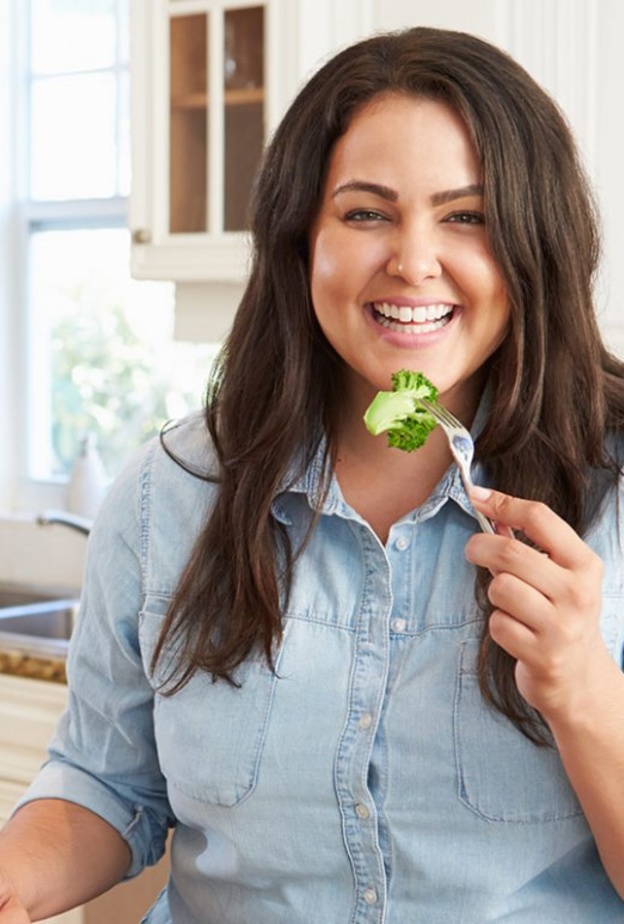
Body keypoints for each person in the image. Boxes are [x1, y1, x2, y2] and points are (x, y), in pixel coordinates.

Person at [1, 25, 624, 923]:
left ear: (536, 242)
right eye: (365, 212)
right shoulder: (167, 494)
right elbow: (106, 780)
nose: (413, 260)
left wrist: (585, 692)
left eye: (467, 216)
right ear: (302, 240)